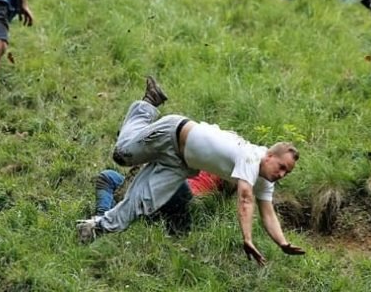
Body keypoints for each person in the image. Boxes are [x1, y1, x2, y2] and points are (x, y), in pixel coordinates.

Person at [76, 77, 306, 265]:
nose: (282, 174)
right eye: (281, 167)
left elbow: (268, 213)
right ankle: (147, 105)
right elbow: (245, 199)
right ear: (269, 155)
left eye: (287, 172)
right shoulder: (252, 156)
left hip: (181, 165)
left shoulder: (265, 179)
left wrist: (283, 243)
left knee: (140, 204)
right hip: (172, 133)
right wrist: (247, 238)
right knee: (122, 154)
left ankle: (93, 229)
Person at [93, 168, 229, 235]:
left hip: (182, 195)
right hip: (156, 185)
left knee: (176, 181)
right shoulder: (193, 152)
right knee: (108, 176)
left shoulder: (225, 169)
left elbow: (226, 194)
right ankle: (101, 220)